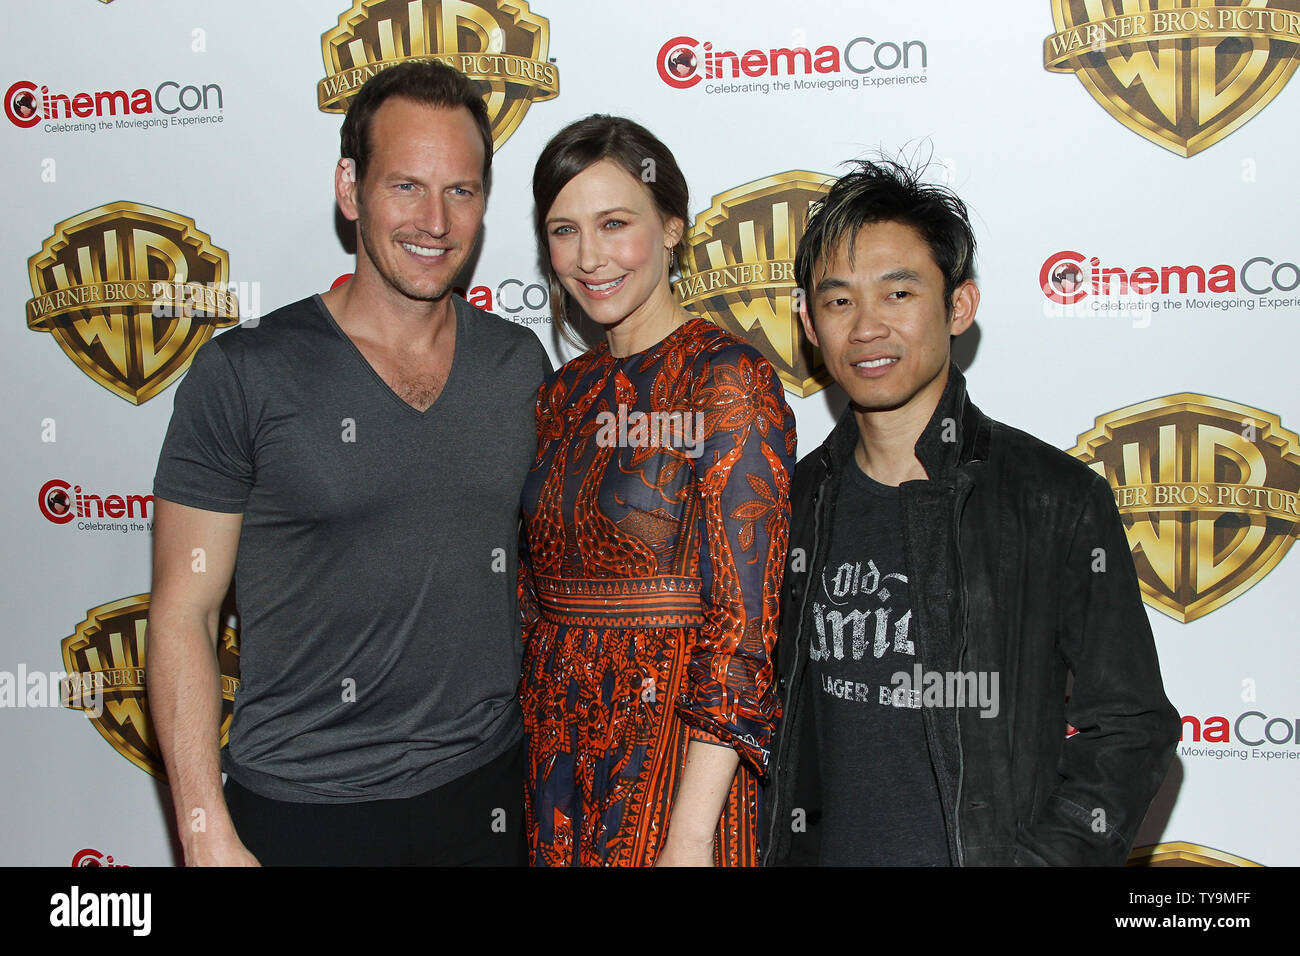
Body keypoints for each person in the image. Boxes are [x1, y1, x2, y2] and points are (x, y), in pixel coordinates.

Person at [146, 62, 549, 866]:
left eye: (461, 191)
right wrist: (202, 831)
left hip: (490, 798)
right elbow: (182, 612)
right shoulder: (247, 373)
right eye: (406, 186)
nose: (435, 221)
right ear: (349, 186)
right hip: (303, 814)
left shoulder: (519, 365)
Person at [763, 159, 1179, 866]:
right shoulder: (791, 502)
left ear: (958, 306)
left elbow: (1131, 727)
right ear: (807, 321)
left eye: (898, 293)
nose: (867, 328)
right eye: (838, 302)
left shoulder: (1051, 498)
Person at [520, 115, 797, 866]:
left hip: (674, 766)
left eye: (615, 224)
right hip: (556, 759)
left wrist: (687, 839)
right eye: (564, 230)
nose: (589, 257)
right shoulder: (561, 397)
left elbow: (743, 635)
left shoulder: (727, 381)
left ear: (672, 226)